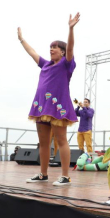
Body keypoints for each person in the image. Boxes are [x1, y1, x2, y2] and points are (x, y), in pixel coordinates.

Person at [19, 13, 80, 186]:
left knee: (61, 140)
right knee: (43, 143)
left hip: (57, 107)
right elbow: (32, 53)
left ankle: (65, 176)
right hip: (41, 107)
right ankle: (43, 174)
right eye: (50, 47)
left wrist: (70, 29)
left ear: (62, 51)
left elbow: (71, 49)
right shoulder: (45, 64)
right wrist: (22, 40)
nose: (51, 49)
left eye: (55, 47)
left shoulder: (66, 64)